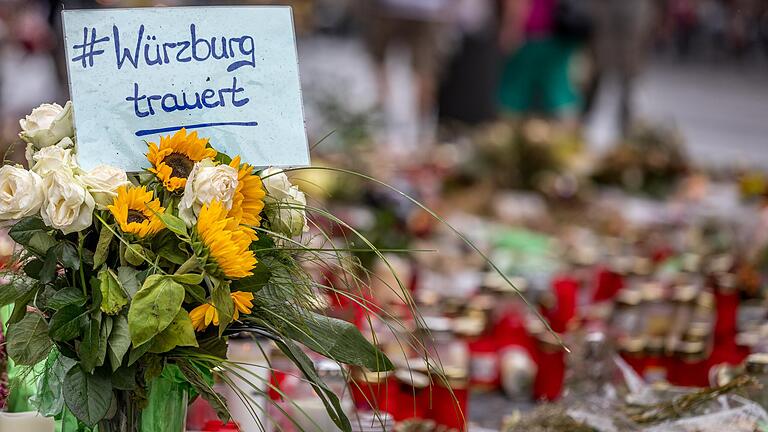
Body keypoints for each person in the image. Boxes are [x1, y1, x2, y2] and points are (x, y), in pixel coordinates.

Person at [360, 0, 453, 141]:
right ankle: (419, 129)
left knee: (384, 64)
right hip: (426, 10)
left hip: (394, 8)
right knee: (424, 69)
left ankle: (386, 121)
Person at [497, 0, 583, 119]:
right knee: (560, 90)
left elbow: (517, 5)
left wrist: (511, 29)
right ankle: (569, 129)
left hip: (533, 39)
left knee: (515, 92)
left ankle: (507, 128)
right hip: (561, 37)